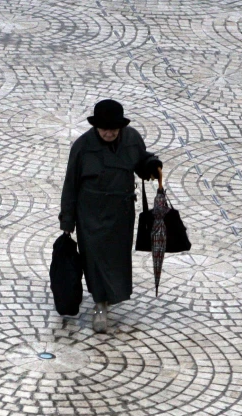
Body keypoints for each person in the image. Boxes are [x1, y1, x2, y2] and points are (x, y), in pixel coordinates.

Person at [59, 99, 162, 333]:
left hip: (121, 214)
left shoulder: (132, 139)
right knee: (94, 259)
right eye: (104, 128)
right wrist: (67, 222)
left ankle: (110, 296)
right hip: (91, 216)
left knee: (116, 258)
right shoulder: (82, 147)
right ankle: (100, 305)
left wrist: (151, 165)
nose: (109, 133)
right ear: (96, 127)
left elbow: (140, 161)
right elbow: (70, 185)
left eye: (113, 128)